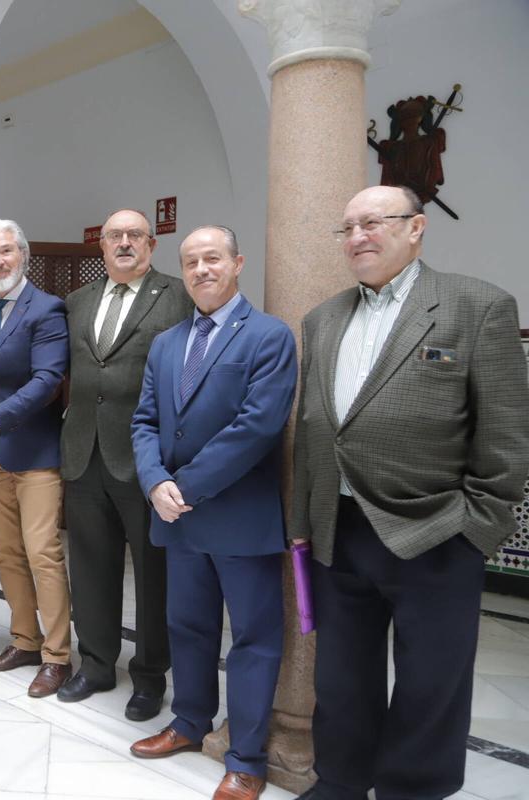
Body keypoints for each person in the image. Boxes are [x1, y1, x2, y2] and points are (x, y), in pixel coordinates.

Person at [292, 185, 529, 800]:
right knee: (342, 676)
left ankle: (412, 789)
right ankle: (341, 781)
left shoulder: (476, 306)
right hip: (340, 528)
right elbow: (313, 429)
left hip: (437, 530)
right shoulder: (323, 319)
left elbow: (506, 433)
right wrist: (303, 522)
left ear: (416, 227)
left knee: (430, 682)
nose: (357, 237)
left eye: (373, 223)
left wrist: (478, 526)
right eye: (347, 227)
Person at [129, 226, 296, 800]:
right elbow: (145, 421)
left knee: (253, 638)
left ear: (237, 263)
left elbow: (257, 427)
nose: (201, 270)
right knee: (188, 627)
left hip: (239, 517)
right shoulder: (166, 343)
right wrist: (154, 481)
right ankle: (189, 721)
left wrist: (183, 487)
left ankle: (246, 758)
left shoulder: (269, 336)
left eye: (213, 259)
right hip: (178, 518)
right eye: (191, 261)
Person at [58, 208, 193, 719]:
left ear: (151, 244)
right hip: (83, 452)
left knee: (154, 574)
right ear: (102, 245)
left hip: (145, 458)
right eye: (115, 235)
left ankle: (150, 675)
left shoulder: (177, 296)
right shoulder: (77, 301)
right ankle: (95, 664)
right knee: (90, 566)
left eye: (135, 235)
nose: (124, 243)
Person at [0, 219, 72, 698]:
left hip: (35, 452)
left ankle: (57, 656)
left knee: (42, 552)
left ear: (23, 254)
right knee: (5, 551)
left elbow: (47, 381)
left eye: (6, 251)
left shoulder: (47, 309)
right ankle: (25, 640)